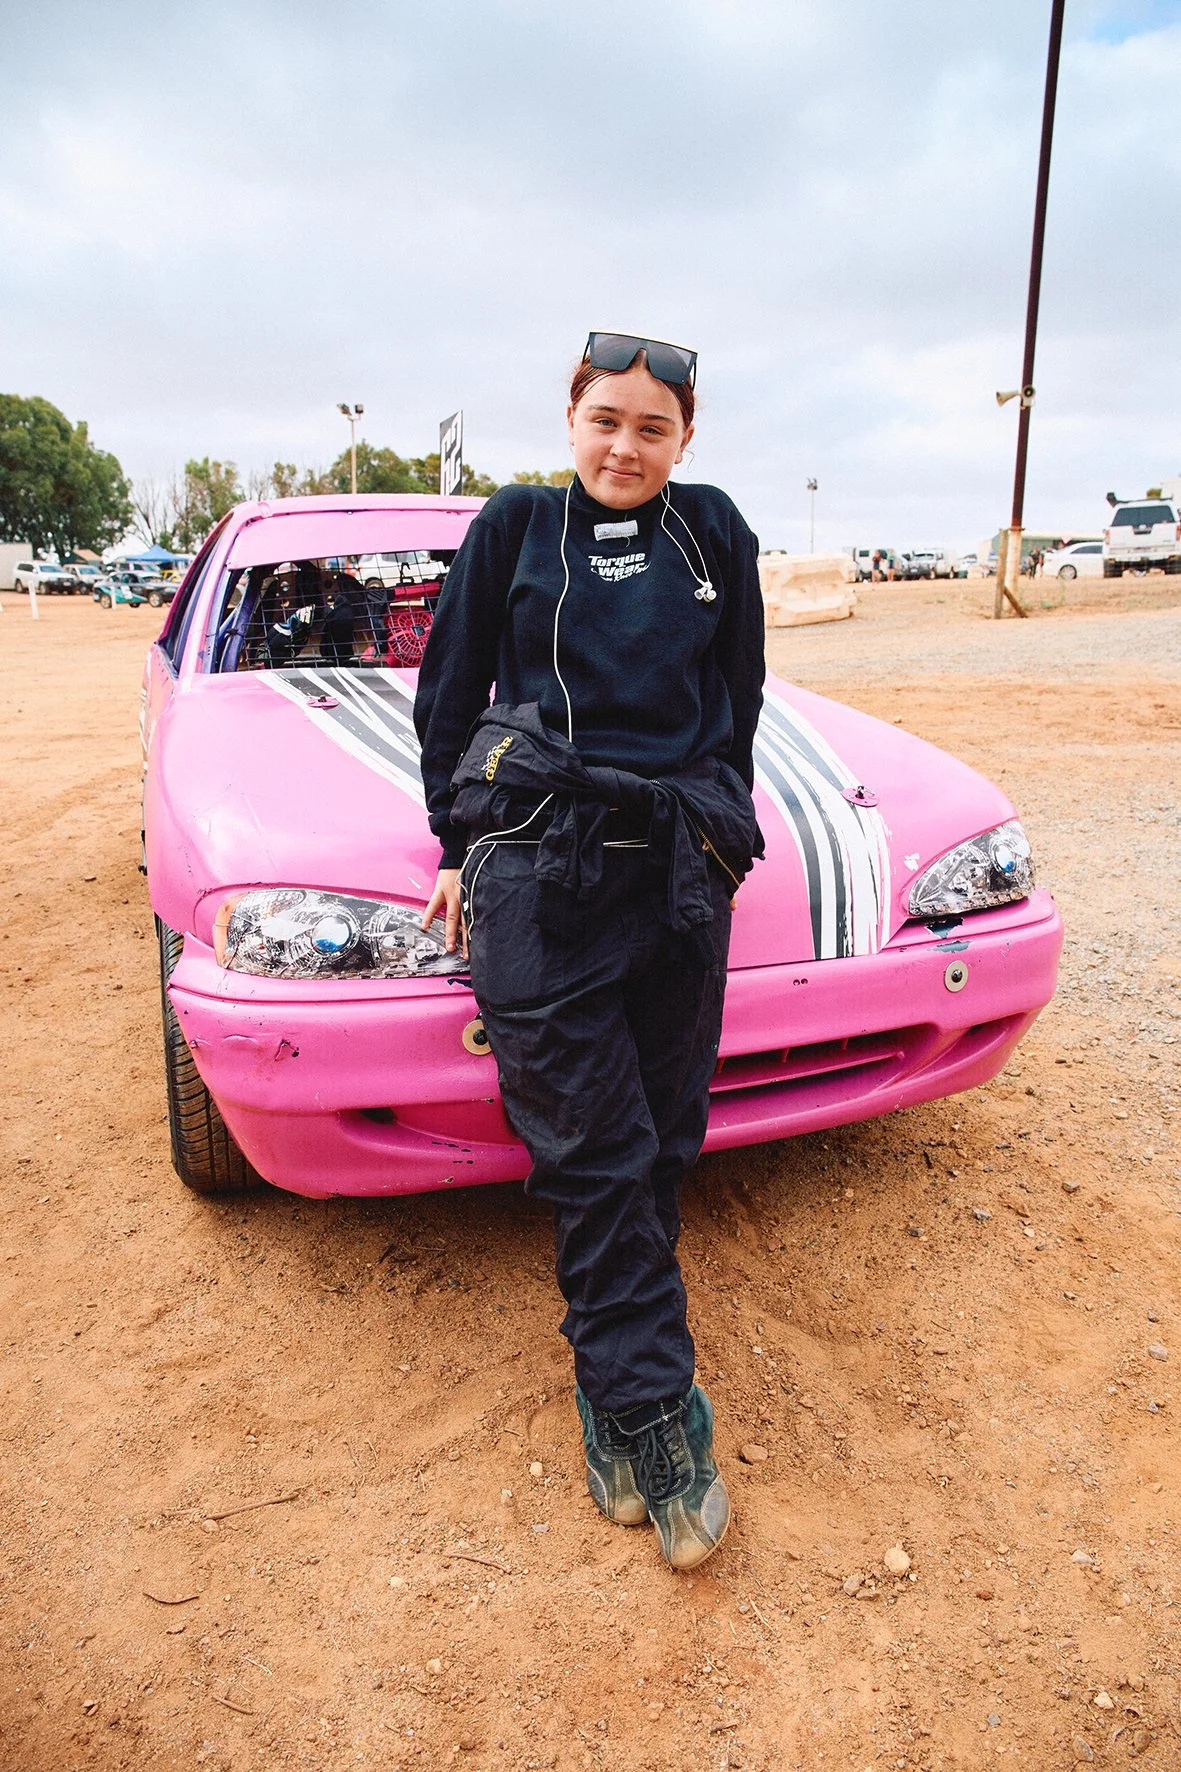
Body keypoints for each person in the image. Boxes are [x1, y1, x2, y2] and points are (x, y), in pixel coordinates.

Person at [414, 332, 765, 1570]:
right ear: (570, 418)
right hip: (535, 867)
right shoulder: (513, 527)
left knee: (660, 1136)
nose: (625, 445)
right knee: (593, 1146)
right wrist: (455, 848)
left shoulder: (711, 531)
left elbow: (739, 704)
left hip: (675, 869)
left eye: (651, 427)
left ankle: (613, 1357)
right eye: (605, 419)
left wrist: (719, 836)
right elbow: (450, 702)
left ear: (684, 439)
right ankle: (649, 1408)